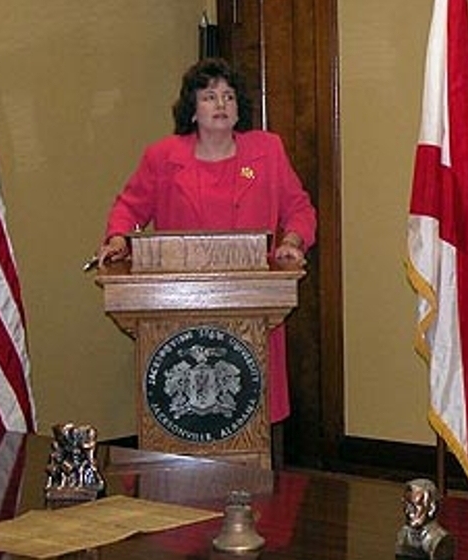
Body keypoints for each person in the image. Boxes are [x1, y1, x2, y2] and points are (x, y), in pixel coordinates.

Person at [97, 57, 316, 463]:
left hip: (253, 305)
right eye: (210, 95)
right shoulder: (163, 157)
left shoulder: (266, 150)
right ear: (192, 108)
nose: (221, 104)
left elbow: (299, 208)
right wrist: (116, 239)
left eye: (229, 96)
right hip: (178, 307)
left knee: (251, 415)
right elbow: (129, 209)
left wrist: (293, 241)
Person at [395, 478, 454, 560]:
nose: (408, 511)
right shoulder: (404, 534)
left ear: (431, 507)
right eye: (406, 505)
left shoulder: (440, 539)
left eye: (415, 506)